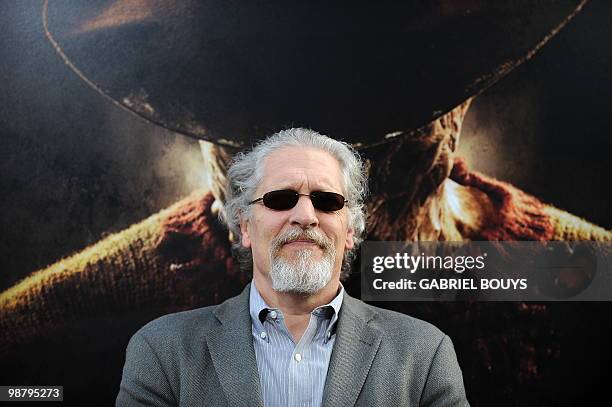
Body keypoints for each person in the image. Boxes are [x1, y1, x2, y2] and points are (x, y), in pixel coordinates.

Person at [115, 128, 469, 406]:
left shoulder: (425, 353)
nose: (305, 216)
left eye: (327, 201)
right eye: (280, 199)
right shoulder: (163, 351)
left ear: (350, 230)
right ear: (244, 226)